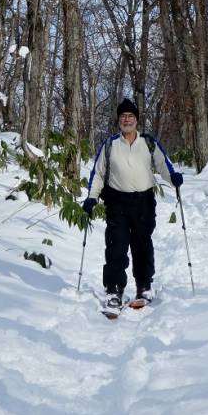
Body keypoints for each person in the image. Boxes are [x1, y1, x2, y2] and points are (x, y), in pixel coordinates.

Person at [82, 98, 183, 312]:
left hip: (143, 202)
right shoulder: (110, 145)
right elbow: (98, 174)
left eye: (130, 116)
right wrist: (92, 197)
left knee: (142, 244)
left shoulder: (148, 143)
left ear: (136, 120)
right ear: (118, 121)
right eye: (123, 116)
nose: (126, 120)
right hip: (117, 201)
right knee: (116, 246)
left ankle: (144, 286)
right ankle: (114, 289)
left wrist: (172, 178)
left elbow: (163, 165)